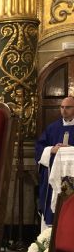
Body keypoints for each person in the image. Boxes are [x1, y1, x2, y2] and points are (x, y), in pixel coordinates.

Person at [35, 96, 74, 228]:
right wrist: (52, 149)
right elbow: (39, 148)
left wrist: (70, 150)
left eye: (68, 107)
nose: (64, 110)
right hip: (54, 176)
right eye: (62, 107)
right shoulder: (52, 128)